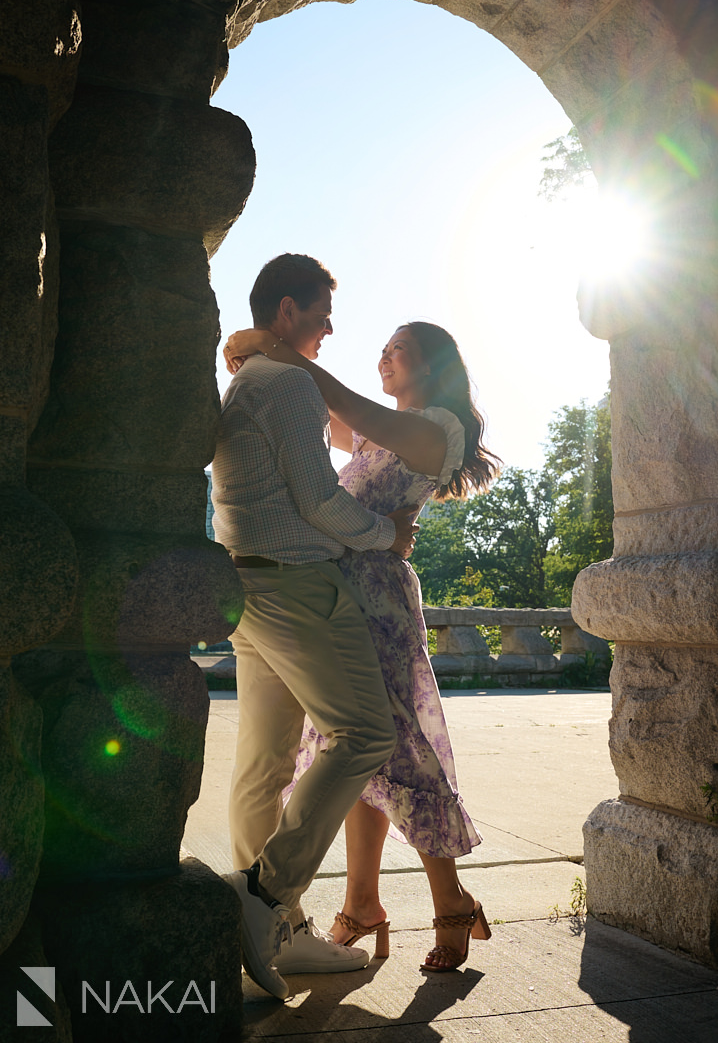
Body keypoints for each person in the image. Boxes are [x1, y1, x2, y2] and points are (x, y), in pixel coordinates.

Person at [223, 317, 500, 974]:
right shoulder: (379, 431)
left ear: (432, 365)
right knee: (358, 760)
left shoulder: (435, 428)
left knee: (402, 752)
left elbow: (340, 403)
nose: (383, 357)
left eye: (396, 350)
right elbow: (318, 411)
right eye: (381, 350)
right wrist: (255, 356)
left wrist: (277, 348)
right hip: (339, 595)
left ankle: (450, 902)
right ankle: (360, 905)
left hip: (377, 600)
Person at [211, 253, 419, 1000]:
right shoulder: (288, 382)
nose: (331, 328)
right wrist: (384, 535)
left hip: (247, 586)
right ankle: (265, 898)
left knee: (264, 763)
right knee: (365, 734)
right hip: (299, 586)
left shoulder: (243, 381)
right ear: (290, 311)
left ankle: (279, 930)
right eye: (323, 313)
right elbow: (321, 502)